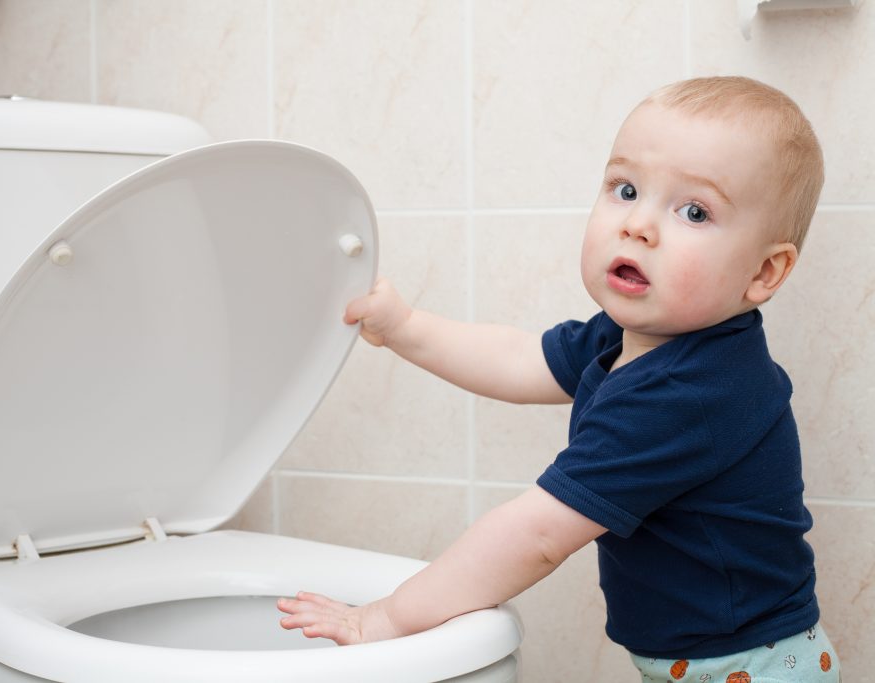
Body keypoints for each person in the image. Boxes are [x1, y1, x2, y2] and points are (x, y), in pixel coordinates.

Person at [277, 76, 840, 682]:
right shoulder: (633, 339)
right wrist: (406, 328)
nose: (639, 225)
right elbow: (520, 359)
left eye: (694, 211)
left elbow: (538, 534)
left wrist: (387, 619)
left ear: (763, 271)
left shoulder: (690, 394)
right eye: (626, 189)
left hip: (752, 667)